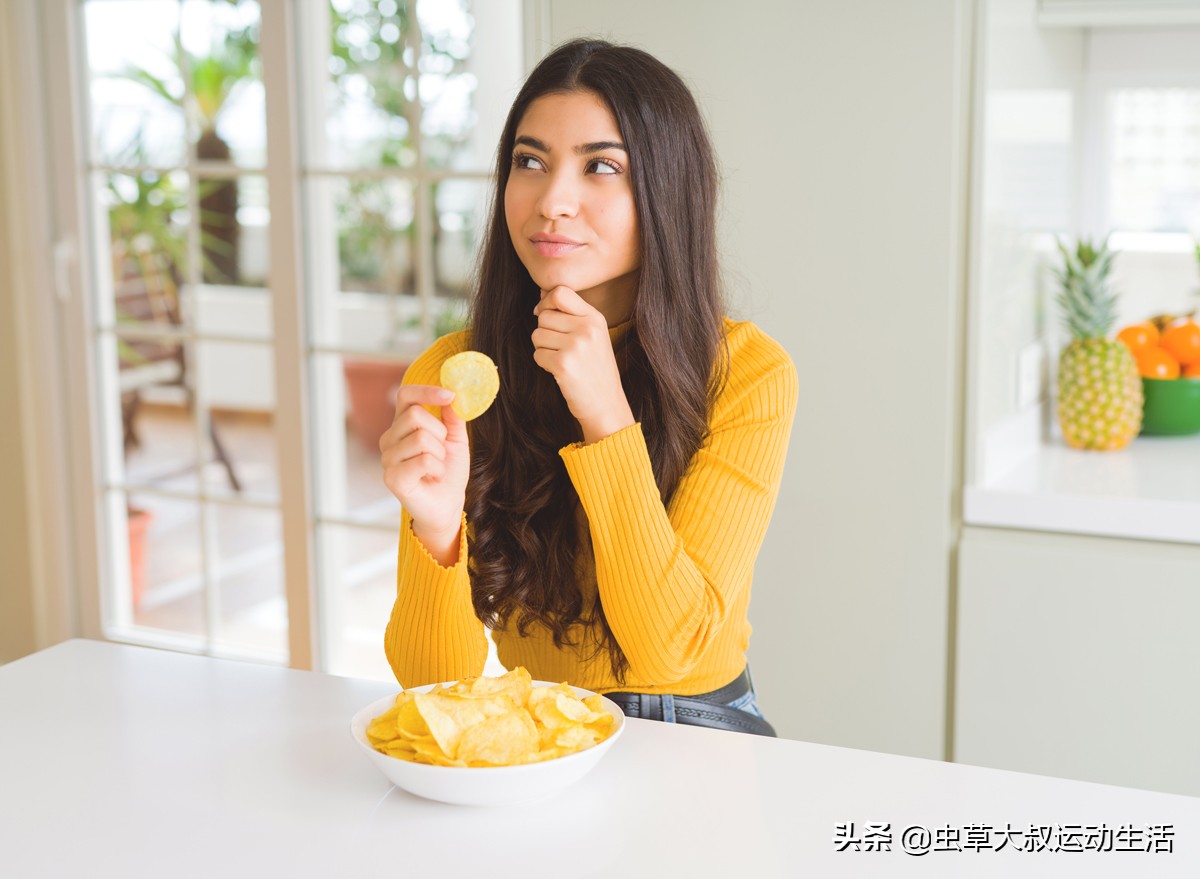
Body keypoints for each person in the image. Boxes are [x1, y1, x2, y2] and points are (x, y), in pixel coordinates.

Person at [379, 38, 797, 737]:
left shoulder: (748, 374)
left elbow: (669, 649)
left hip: (692, 725)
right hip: (532, 730)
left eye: (600, 165)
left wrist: (605, 414)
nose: (552, 201)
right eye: (529, 161)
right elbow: (434, 683)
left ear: (667, 189)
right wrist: (437, 526)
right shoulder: (453, 374)